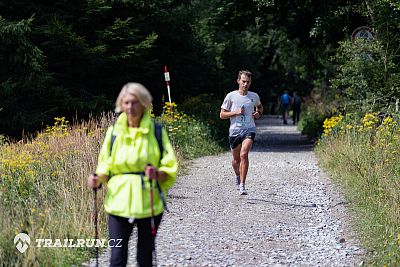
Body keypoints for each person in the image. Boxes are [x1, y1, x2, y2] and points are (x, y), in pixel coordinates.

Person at [87, 82, 178, 267]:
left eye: (135, 102)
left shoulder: (156, 131)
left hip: (149, 203)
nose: (130, 107)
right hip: (118, 204)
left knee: (145, 258)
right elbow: (105, 163)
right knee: (116, 258)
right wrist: (97, 178)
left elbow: (170, 165)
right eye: (126, 103)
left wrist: (158, 173)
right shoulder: (113, 132)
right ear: (121, 104)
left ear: (144, 104)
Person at [220, 70, 263, 195]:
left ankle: (242, 185)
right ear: (238, 81)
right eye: (243, 81)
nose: (245, 84)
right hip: (234, 130)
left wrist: (258, 113)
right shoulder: (231, 96)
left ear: (250, 83)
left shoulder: (254, 96)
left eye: (248, 82)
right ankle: (238, 175)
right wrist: (236, 112)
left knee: (244, 154)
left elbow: (260, 107)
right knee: (235, 160)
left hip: (249, 129)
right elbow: (222, 114)